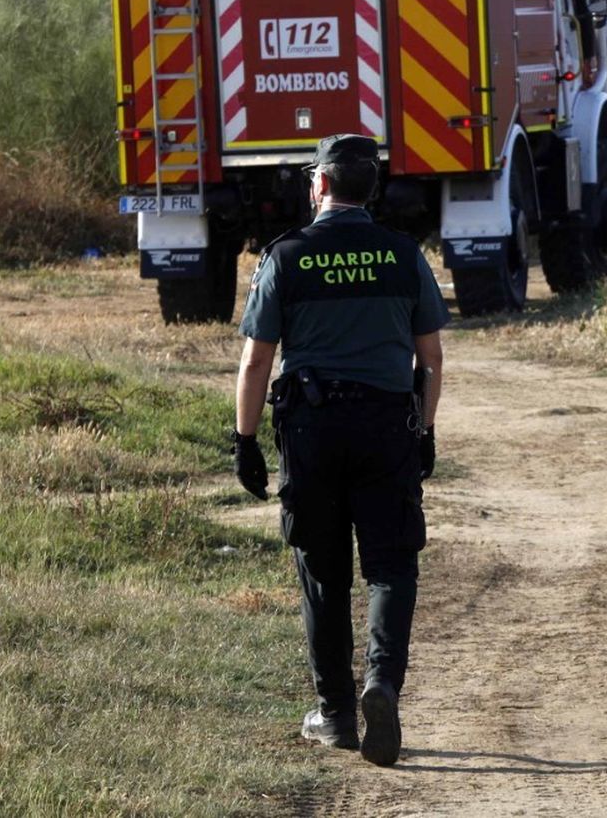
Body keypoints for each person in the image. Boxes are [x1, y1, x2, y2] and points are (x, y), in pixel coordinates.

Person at [231, 134, 448, 767]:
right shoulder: (403, 255)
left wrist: (244, 441)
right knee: (391, 564)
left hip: (312, 431)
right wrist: (425, 430)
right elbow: (431, 359)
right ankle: (382, 683)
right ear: (370, 188)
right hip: (387, 427)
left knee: (322, 572)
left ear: (321, 184)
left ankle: (336, 714)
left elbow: (256, 360)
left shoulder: (286, 254)